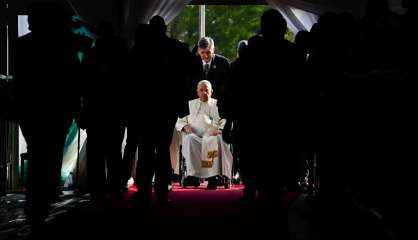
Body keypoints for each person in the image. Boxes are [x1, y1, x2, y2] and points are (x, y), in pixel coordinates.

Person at [176, 80, 233, 189]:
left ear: (211, 92)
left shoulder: (218, 104)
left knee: (215, 140)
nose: (204, 93)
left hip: (212, 136)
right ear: (197, 92)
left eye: (206, 90)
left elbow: (225, 120)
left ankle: (213, 177)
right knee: (189, 139)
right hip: (195, 136)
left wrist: (220, 129)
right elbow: (180, 121)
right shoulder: (190, 104)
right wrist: (185, 126)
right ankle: (193, 176)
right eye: (201, 90)